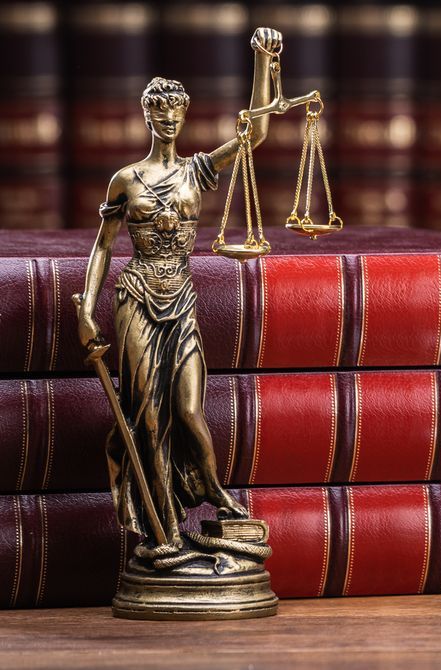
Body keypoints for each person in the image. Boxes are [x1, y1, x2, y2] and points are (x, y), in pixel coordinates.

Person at [74, 27, 283, 555]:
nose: (168, 120)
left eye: (175, 112)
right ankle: (162, 528)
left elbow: (253, 137)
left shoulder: (197, 171)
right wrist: (87, 309)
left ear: (184, 116)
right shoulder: (127, 180)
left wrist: (263, 61)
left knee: (189, 410)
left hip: (181, 299)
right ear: (147, 117)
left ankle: (213, 492)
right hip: (139, 297)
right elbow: (103, 245)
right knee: (147, 415)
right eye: (159, 113)